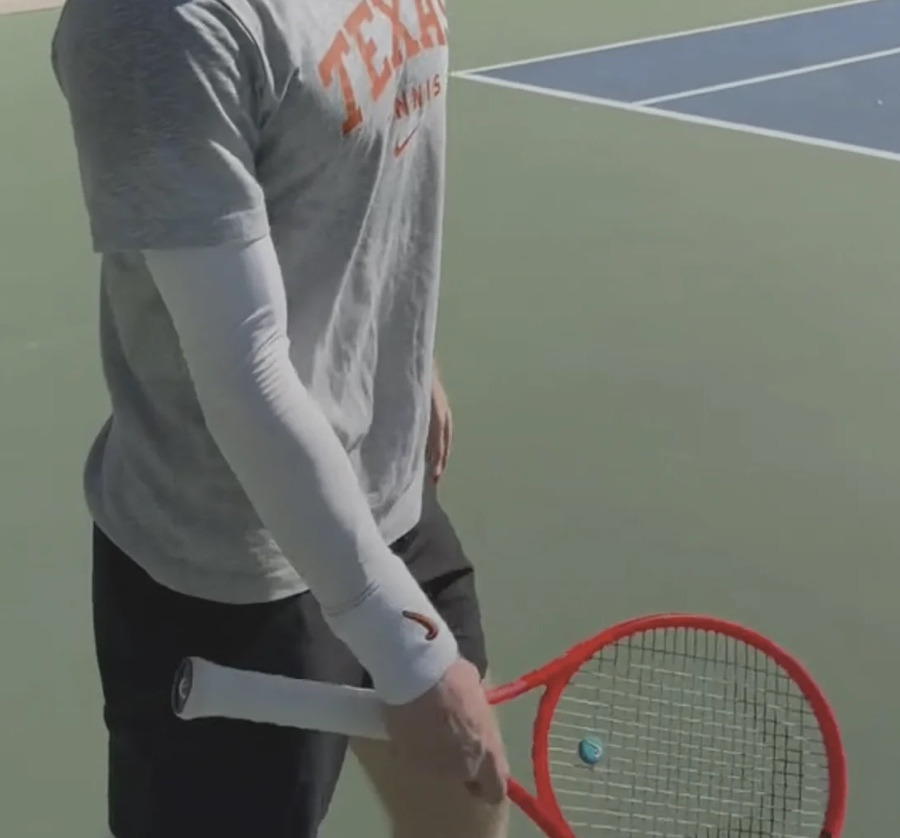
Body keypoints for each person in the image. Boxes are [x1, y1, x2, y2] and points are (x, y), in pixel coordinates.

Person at [50, 0, 511, 835]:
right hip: (233, 568)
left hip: (388, 495)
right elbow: (244, 372)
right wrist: (406, 653)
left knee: (465, 810)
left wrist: (406, 354)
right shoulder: (154, 26)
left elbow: (349, 156)